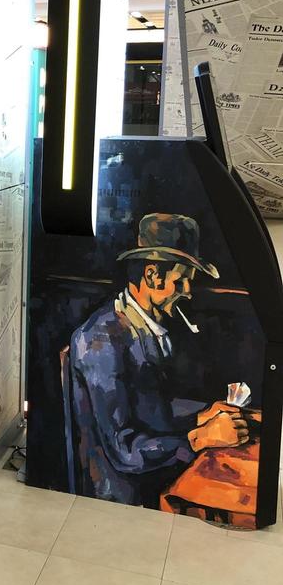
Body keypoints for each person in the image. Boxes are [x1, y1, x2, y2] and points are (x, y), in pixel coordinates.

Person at [69, 213, 249, 508]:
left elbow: (150, 406)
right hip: (126, 497)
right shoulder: (99, 341)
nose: (188, 293)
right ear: (152, 276)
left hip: (158, 476)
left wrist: (202, 415)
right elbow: (125, 450)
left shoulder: (149, 324)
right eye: (181, 282)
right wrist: (198, 438)